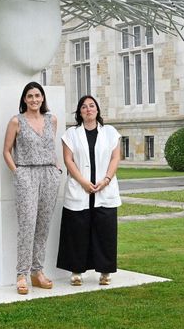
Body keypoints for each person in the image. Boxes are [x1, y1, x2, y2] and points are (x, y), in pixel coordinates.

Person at [2, 81, 62, 295]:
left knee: (43, 225)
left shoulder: (51, 120)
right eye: (30, 96)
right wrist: (17, 172)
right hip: (26, 173)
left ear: (43, 98)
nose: (34, 100)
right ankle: (21, 274)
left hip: (49, 174)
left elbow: (50, 147)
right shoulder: (16, 121)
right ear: (24, 99)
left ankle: (38, 272)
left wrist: (55, 169)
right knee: (27, 224)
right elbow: (7, 151)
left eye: (38, 96)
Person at [57, 95, 122, 286]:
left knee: (105, 231)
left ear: (97, 110)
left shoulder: (110, 132)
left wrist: (107, 179)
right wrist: (83, 182)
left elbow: (115, 158)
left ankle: (105, 271)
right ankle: (77, 271)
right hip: (80, 189)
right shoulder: (71, 134)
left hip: (105, 188)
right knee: (77, 231)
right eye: (84, 107)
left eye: (92, 106)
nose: (88, 109)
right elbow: (68, 160)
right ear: (79, 112)